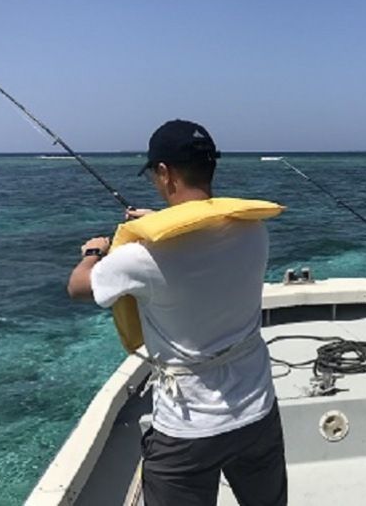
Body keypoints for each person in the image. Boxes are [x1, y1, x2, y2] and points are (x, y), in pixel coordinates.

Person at [67, 119, 288, 506]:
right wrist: (159, 222)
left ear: (166, 173)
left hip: (188, 427)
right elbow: (202, 237)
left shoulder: (140, 258)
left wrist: (93, 252)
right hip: (257, 410)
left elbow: (79, 288)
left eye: (155, 173)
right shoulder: (253, 232)